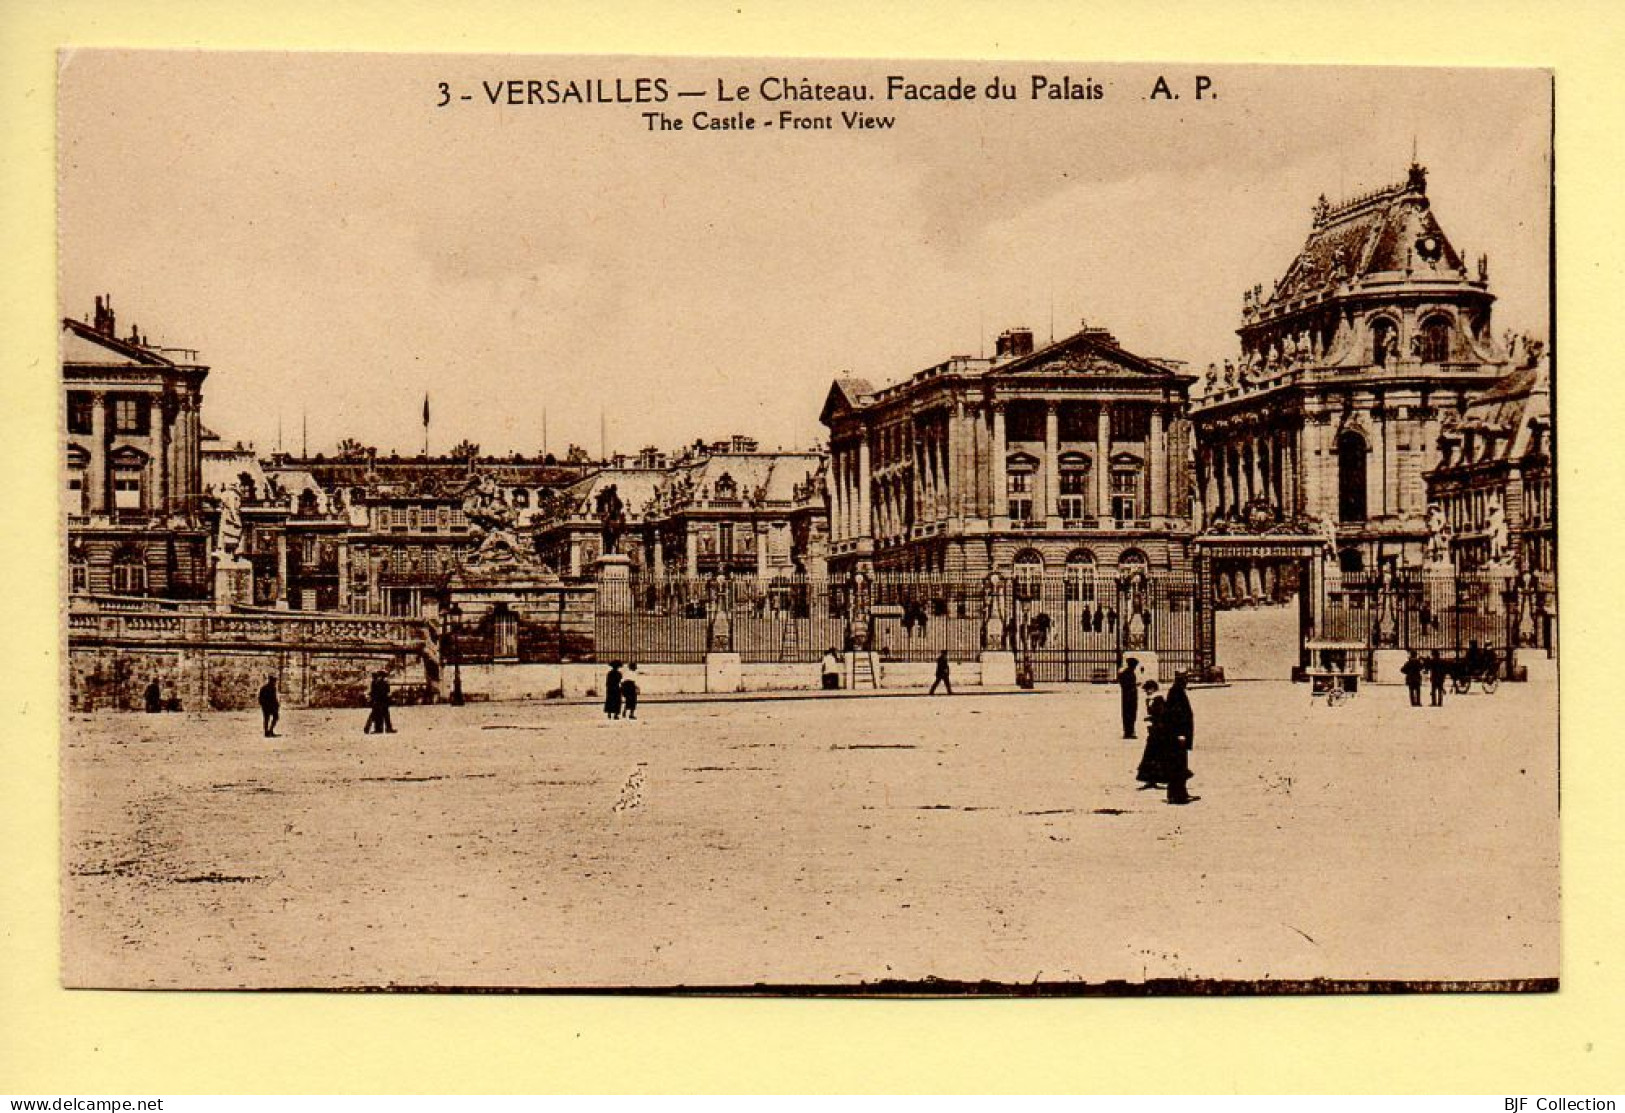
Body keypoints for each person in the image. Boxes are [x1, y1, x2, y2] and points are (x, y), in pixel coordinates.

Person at [1162, 672, 1197, 805]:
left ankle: (1179, 793)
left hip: (1179, 736)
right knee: (1178, 765)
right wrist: (1180, 734)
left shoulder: (1177, 691)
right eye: (1185, 679)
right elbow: (1175, 715)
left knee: (1180, 765)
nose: (1187, 681)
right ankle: (1178, 795)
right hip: (1178, 736)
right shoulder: (1176, 693)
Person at [1135, 679, 1170, 789]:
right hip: (1154, 730)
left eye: (1148, 689)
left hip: (1159, 730)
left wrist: (1152, 718)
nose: (1147, 692)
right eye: (1146, 690)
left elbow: (1162, 715)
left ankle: (1155, 779)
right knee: (1151, 754)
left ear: (1153, 689)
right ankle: (1151, 779)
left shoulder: (1158, 699)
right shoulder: (1150, 699)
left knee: (1155, 754)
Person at [1116, 658, 1140, 739]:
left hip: (1127, 696)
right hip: (1130, 697)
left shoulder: (1126, 673)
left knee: (1128, 714)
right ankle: (1129, 732)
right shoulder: (1128, 673)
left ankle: (1128, 731)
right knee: (1130, 714)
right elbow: (1127, 685)